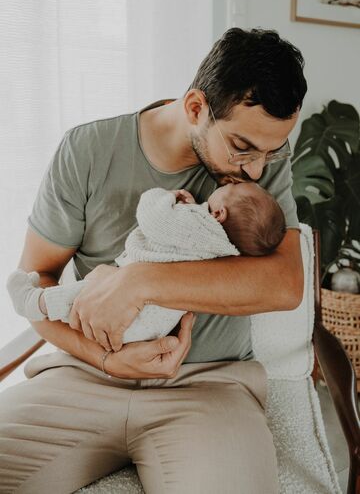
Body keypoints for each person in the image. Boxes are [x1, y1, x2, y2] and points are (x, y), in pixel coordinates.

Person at [0, 27, 307, 494]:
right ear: (195, 108)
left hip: (209, 388)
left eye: (272, 151)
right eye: (243, 148)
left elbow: (283, 285)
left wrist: (142, 282)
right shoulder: (86, 150)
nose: (257, 170)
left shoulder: (261, 169)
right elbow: (35, 278)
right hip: (82, 378)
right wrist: (105, 359)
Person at [6, 181, 286, 344]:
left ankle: (34, 302)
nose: (229, 181)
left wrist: (165, 197)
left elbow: (153, 219)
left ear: (219, 214)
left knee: (79, 297)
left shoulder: (199, 227)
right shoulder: (225, 250)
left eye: (232, 186)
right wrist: (190, 208)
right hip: (156, 325)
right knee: (97, 280)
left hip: (135, 312)